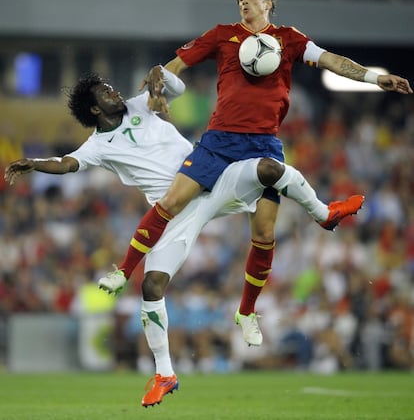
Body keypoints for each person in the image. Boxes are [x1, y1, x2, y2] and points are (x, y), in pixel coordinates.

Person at [100, 0, 412, 353]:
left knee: (264, 234)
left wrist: (372, 78)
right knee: (170, 202)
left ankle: (246, 311)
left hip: (264, 144)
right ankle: (123, 270)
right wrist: (159, 78)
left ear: (268, 2)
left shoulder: (289, 40)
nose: (244, 1)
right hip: (218, 141)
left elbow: (331, 60)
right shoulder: (222, 35)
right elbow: (178, 64)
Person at [4, 66, 350, 407]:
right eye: (106, 93)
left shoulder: (141, 104)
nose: (115, 92)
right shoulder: (97, 146)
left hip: (211, 180)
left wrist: (161, 76)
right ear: (96, 109)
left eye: (112, 87)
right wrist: (34, 162)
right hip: (173, 214)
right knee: (152, 286)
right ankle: (165, 374)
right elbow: (67, 163)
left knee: (270, 168)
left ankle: (323, 214)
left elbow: (177, 89)